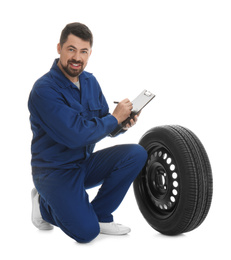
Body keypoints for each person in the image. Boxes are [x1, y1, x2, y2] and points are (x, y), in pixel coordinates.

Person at [28, 22, 147, 243]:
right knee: (86, 233)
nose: (77, 57)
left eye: (83, 51)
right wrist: (113, 118)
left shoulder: (90, 81)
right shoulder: (44, 90)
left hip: (83, 163)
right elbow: (75, 135)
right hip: (54, 172)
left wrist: (121, 124)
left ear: (90, 53)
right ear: (59, 48)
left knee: (136, 154)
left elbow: (102, 124)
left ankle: (100, 215)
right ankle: (43, 205)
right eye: (71, 49)